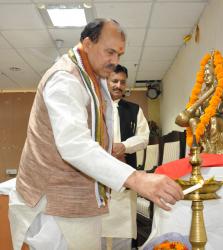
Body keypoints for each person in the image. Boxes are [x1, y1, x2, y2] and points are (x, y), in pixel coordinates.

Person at [8, 18, 183, 250]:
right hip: (54, 205)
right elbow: (74, 145)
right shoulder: (64, 79)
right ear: (88, 43)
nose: (115, 61)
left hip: (81, 201)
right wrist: (137, 178)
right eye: (109, 52)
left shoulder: (94, 77)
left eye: (119, 54)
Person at [101, 65, 149, 250]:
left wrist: (125, 146)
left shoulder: (134, 110)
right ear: (106, 80)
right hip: (98, 178)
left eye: (122, 82)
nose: (118, 85)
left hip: (125, 176)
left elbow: (144, 137)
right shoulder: (95, 108)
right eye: (114, 81)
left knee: (124, 230)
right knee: (98, 230)